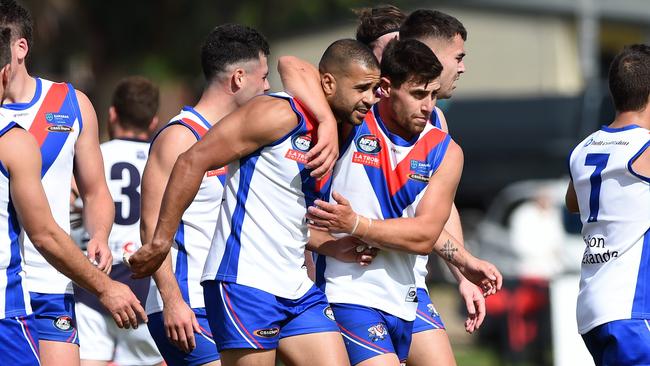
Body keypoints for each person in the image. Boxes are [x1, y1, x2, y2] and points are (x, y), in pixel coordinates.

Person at [129, 39, 380, 366]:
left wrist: (331, 245)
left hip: (295, 287)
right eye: (363, 88)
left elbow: (280, 215)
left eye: (375, 89)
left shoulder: (336, 128)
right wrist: (161, 243)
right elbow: (191, 161)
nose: (371, 99)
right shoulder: (278, 111)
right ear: (329, 83)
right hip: (246, 284)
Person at [304, 38, 500, 366]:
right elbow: (293, 66)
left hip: (408, 295)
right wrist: (325, 122)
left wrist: (464, 265)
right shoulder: (349, 122)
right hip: (348, 293)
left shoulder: (445, 150)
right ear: (386, 88)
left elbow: (426, 233)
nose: (428, 106)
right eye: (418, 94)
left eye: (433, 95)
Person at [0, 26, 146, 366]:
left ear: (20, 47)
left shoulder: (70, 104)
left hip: (56, 277)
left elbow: (95, 191)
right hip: (10, 280)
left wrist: (100, 234)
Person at [141, 24, 270, 366]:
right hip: (188, 304)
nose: (269, 87)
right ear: (239, 78)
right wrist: (172, 300)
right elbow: (151, 230)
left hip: (235, 300)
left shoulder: (243, 139)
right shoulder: (179, 138)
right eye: (264, 77)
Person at [566, 44, 650, 366]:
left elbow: (573, 202)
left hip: (594, 308)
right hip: (632, 308)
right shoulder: (645, 148)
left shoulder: (583, 148)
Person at [73, 76, 163, 366]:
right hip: (145, 286)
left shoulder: (91, 158)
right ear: (154, 123)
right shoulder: (163, 159)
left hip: (92, 282)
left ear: (111, 114)